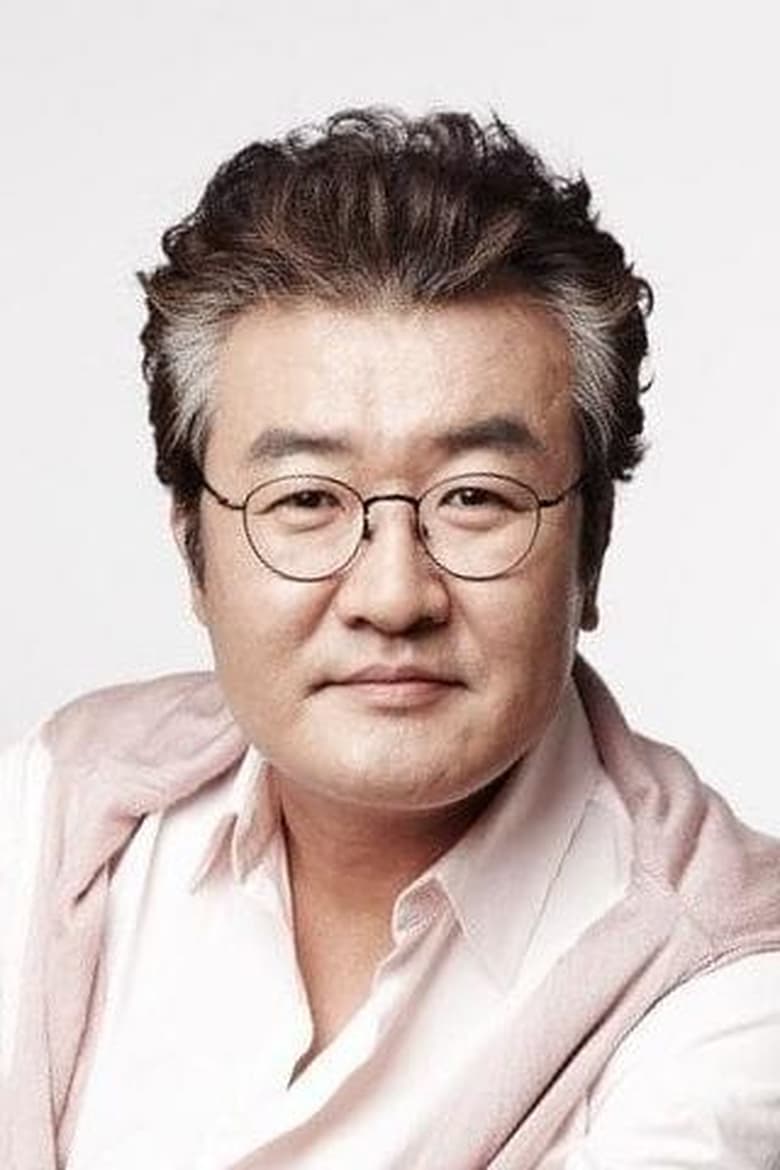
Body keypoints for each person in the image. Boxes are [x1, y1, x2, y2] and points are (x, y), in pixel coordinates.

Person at [2, 109, 779, 1170]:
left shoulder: (731, 981)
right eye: (306, 499)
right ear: (193, 550)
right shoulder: (61, 813)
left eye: (476, 497)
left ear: (591, 547)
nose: (393, 594)